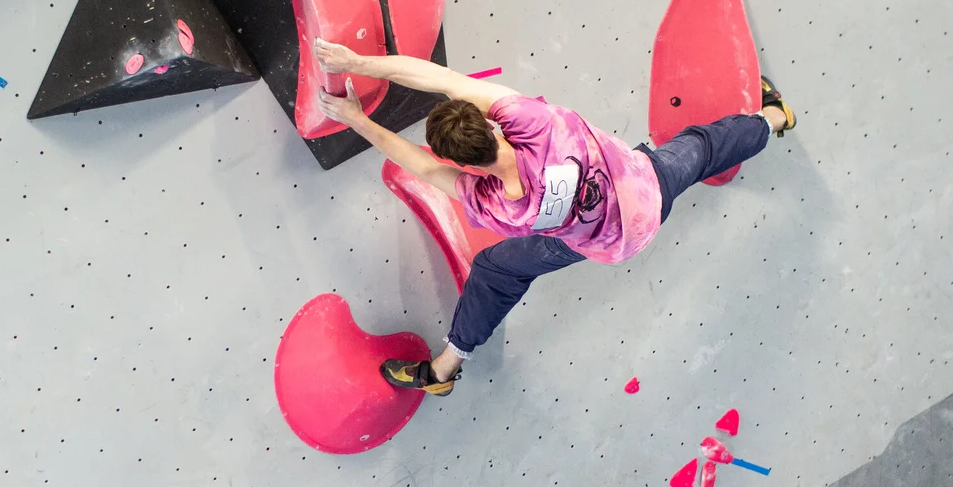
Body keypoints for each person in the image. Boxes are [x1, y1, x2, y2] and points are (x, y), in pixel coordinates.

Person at [312, 40, 794, 395]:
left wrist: (357, 119)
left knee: (495, 270)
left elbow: (418, 165)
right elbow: (443, 80)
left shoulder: (497, 206)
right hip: (645, 195)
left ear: (465, 163)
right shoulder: (537, 123)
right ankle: (775, 118)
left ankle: (444, 369)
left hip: (597, 244)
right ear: (490, 124)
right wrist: (356, 62)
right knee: (704, 147)